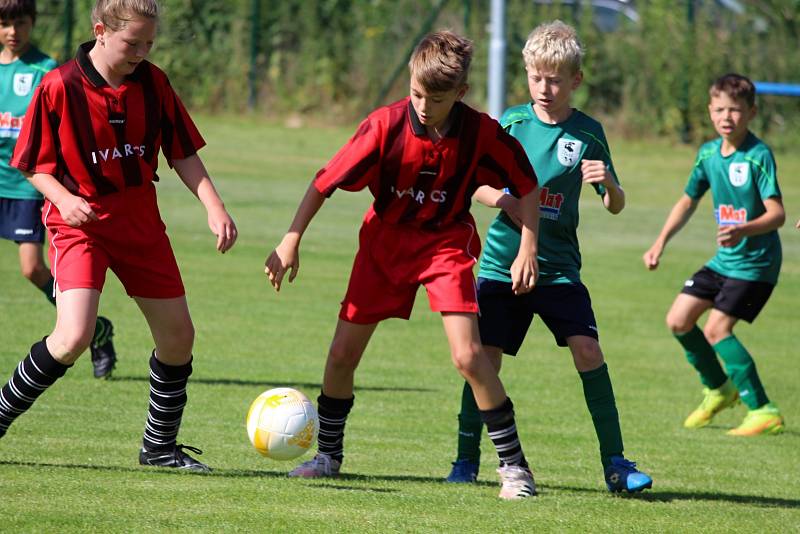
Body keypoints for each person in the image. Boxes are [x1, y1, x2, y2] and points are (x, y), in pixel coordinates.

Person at [265, 30, 540, 500]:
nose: (422, 105)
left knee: (469, 356)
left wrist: (527, 247)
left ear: (461, 93)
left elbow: (527, 185)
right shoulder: (384, 126)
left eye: (435, 98)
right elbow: (323, 183)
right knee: (341, 355)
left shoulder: (481, 133)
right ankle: (328, 456)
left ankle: (515, 469)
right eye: (415, 93)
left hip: (445, 244)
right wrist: (291, 239)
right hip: (383, 245)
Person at [0, 0, 237, 471]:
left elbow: (183, 151)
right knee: (72, 338)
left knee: (178, 338)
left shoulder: (153, 82)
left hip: (139, 219)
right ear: (101, 31)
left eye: (150, 43)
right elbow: (30, 164)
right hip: (79, 223)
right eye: (133, 43)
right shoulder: (60, 85)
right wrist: (65, 201)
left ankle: (159, 447)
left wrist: (214, 206)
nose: (142, 52)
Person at [443, 21, 652, 494]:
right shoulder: (511, 123)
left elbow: (613, 204)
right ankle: (464, 460)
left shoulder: (589, 134)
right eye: (536, 77)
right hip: (501, 265)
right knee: (482, 359)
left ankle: (616, 464)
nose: (544, 87)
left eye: (555, 79)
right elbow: (474, 185)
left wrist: (612, 186)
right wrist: (508, 203)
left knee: (588, 350)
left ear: (575, 80)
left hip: (559, 270)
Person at [643, 73, 785, 436]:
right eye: (720, 109)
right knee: (678, 319)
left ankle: (762, 409)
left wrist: (743, 229)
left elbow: (777, 214)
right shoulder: (707, 154)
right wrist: (661, 241)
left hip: (756, 264)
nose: (727, 117)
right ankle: (719, 390)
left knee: (717, 330)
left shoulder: (758, 155)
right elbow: (688, 199)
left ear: (751, 113)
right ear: (710, 111)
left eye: (735, 110)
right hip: (724, 261)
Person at [0, 0, 118, 378]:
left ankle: (94, 328)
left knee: (32, 269)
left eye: (20, 23)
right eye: (4, 24)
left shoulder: (45, 70)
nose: (12, 32)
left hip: (27, 186)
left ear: (32, 24)